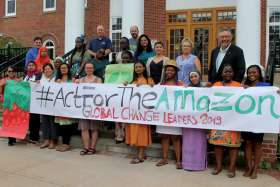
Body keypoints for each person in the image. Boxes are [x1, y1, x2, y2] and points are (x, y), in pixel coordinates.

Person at [209, 64, 241, 178]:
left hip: (233, 120)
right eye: (225, 72)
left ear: (233, 73)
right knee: (217, 145)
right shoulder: (216, 85)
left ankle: (232, 167)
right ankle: (218, 166)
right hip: (219, 120)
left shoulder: (239, 86)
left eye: (230, 71)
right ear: (222, 73)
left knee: (233, 145)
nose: (228, 73)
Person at [242, 65, 270, 179]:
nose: (251, 74)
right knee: (247, 143)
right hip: (247, 119)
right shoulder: (244, 87)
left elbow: (272, 97)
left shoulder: (266, 86)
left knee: (257, 144)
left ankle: (255, 169)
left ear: (259, 73)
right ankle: (249, 167)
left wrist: (277, 92)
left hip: (259, 120)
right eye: (249, 73)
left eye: (254, 72)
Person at [155, 60, 183, 169]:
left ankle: (178, 161)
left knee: (176, 138)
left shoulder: (180, 84)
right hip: (163, 115)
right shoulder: (161, 84)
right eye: (167, 70)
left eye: (171, 70)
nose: (169, 72)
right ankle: (165, 158)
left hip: (175, 115)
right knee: (164, 137)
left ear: (175, 72)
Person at [125, 61, 154, 164]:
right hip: (133, 112)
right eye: (136, 67)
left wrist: (151, 85)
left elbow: (153, 90)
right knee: (135, 131)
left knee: (141, 132)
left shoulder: (149, 79)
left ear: (144, 68)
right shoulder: (132, 80)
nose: (138, 69)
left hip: (143, 112)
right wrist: (126, 85)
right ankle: (141, 153)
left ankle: (140, 155)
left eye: (140, 67)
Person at [182, 71, 207, 171]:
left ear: (199, 77)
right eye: (191, 77)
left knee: (199, 143)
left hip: (200, 121)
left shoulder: (205, 89)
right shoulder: (185, 89)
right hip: (188, 121)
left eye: (195, 76)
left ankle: (199, 165)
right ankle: (187, 164)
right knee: (188, 142)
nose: (193, 78)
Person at [76, 62, 102, 155]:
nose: (89, 69)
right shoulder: (80, 80)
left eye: (91, 68)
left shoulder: (98, 80)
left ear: (93, 69)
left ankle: (92, 148)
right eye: (87, 68)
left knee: (94, 128)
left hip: (94, 107)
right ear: (85, 69)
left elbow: (100, 91)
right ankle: (86, 148)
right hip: (83, 107)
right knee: (84, 128)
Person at [55, 63, 76, 152]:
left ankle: (66, 144)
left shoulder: (73, 79)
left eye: (65, 68)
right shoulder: (57, 80)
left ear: (68, 69)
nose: (63, 69)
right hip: (60, 106)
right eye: (62, 68)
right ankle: (64, 143)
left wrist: (76, 83)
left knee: (68, 125)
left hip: (69, 106)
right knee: (62, 125)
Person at [114, 50, 134, 143]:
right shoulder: (117, 68)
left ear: (130, 58)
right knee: (118, 115)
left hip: (130, 94)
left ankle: (127, 136)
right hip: (118, 93)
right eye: (123, 57)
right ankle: (119, 135)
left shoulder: (133, 67)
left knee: (127, 115)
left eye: (127, 58)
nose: (125, 59)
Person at [39, 63, 58, 149]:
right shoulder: (41, 80)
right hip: (43, 105)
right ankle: (46, 140)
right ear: (43, 71)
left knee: (52, 123)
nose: (47, 70)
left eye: (49, 69)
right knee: (44, 122)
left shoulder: (56, 79)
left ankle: (52, 141)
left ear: (52, 70)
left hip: (53, 105)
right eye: (45, 69)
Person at [0, 66, 20, 146]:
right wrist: (2, 85)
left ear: (15, 72)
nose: (11, 73)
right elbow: (1, 93)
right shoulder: (3, 81)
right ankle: (10, 139)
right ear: (7, 72)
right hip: (7, 104)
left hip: (17, 104)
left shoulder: (18, 80)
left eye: (12, 71)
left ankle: (13, 137)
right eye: (9, 71)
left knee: (15, 121)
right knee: (9, 121)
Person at [24, 61, 41, 144]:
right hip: (27, 101)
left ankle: (36, 137)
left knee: (35, 119)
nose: (30, 67)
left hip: (35, 101)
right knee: (29, 119)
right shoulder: (26, 76)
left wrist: (38, 82)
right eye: (29, 65)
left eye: (32, 65)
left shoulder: (38, 75)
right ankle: (31, 137)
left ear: (35, 66)